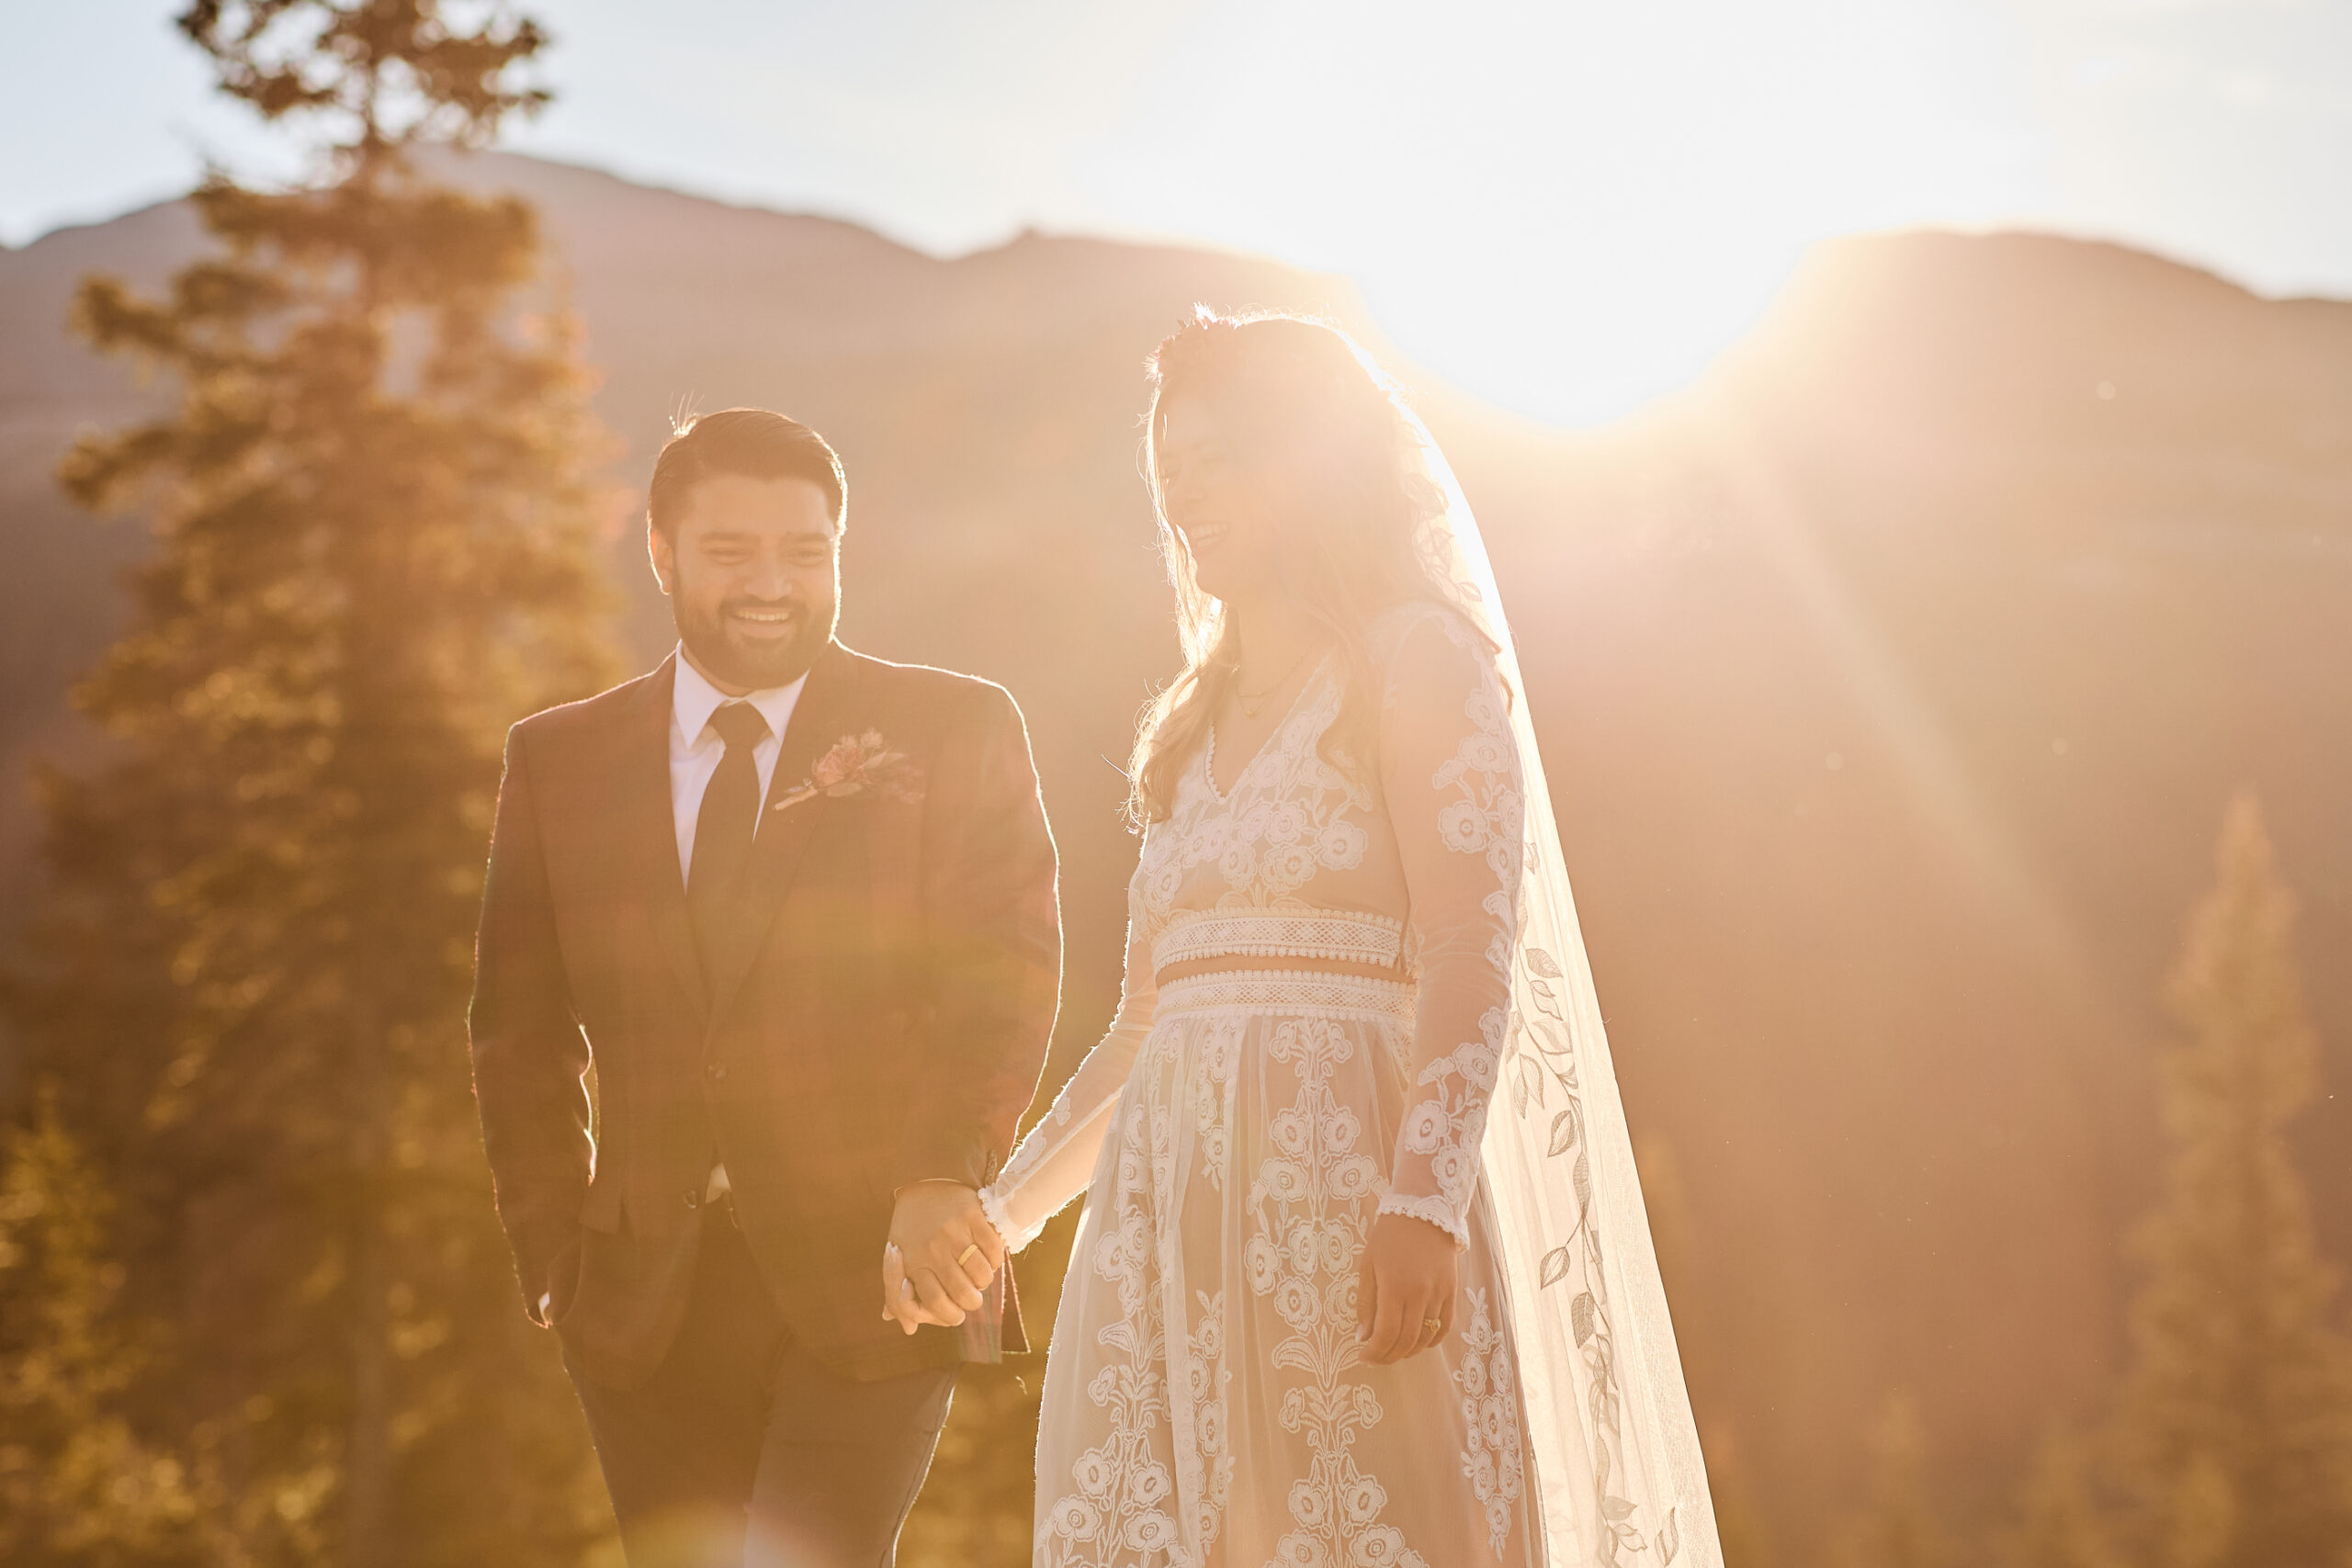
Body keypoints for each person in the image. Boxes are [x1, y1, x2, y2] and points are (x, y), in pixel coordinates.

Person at [965, 313, 1722, 1565]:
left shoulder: (1416, 662)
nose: (1183, 494)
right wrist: (1004, 1218)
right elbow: (1144, 1032)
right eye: (1170, 472)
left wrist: (1422, 1197)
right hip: (1165, 1245)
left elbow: (1476, 950)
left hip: (1351, 1206)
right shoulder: (1188, 726)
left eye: (1216, 459)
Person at [469, 408, 1061, 1566]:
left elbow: (1007, 972)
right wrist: (554, 1256)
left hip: (882, 1274)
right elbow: (516, 1028)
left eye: (806, 550)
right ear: (660, 551)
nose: (772, 585)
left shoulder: (954, 727)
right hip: (639, 1296)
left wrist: (943, 1170)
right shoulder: (558, 760)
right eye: (732, 551)